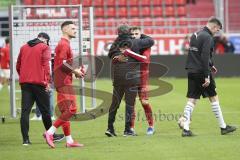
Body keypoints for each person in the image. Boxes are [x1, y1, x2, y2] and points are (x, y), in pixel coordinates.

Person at [180, 17, 236, 137]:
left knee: (192, 99)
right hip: (201, 71)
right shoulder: (208, 37)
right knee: (213, 97)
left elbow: (196, 53)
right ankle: (223, 127)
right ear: (214, 27)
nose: (217, 32)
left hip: (191, 70)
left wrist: (212, 65)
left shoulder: (196, 34)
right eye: (217, 30)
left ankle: (186, 129)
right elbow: (205, 56)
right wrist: (207, 75)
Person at [105, 24, 154, 137]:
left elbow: (110, 55)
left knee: (114, 103)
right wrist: (141, 34)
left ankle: (110, 128)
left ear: (118, 34)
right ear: (129, 33)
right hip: (132, 78)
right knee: (130, 104)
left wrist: (118, 52)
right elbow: (151, 41)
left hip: (118, 78)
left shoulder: (115, 44)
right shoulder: (136, 42)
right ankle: (128, 130)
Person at [16, 33, 64, 145]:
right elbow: (46, 65)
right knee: (45, 111)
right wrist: (47, 81)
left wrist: (24, 76)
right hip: (39, 83)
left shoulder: (23, 47)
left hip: (25, 83)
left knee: (25, 111)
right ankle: (51, 135)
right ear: (46, 40)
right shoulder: (45, 47)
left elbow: (18, 65)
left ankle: (26, 140)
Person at [43, 21, 85, 148]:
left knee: (65, 111)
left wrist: (75, 72)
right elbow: (62, 64)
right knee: (72, 109)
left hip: (62, 80)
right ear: (65, 30)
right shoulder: (63, 44)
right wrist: (75, 71)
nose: (75, 30)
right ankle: (50, 132)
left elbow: (64, 64)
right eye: (72, 28)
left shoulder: (64, 44)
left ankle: (69, 141)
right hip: (63, 82)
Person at [129, 26, 155, 135]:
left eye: (136, 34)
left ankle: (151, 126)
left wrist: (128, 53)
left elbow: (145, 60)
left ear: (141, 35)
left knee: (144, 102)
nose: (134, 36)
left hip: (142, 77)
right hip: (131, 77)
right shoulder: (128, 45)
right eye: (132, 34)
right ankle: (131, 128)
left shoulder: (146, 47)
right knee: (131, 104)